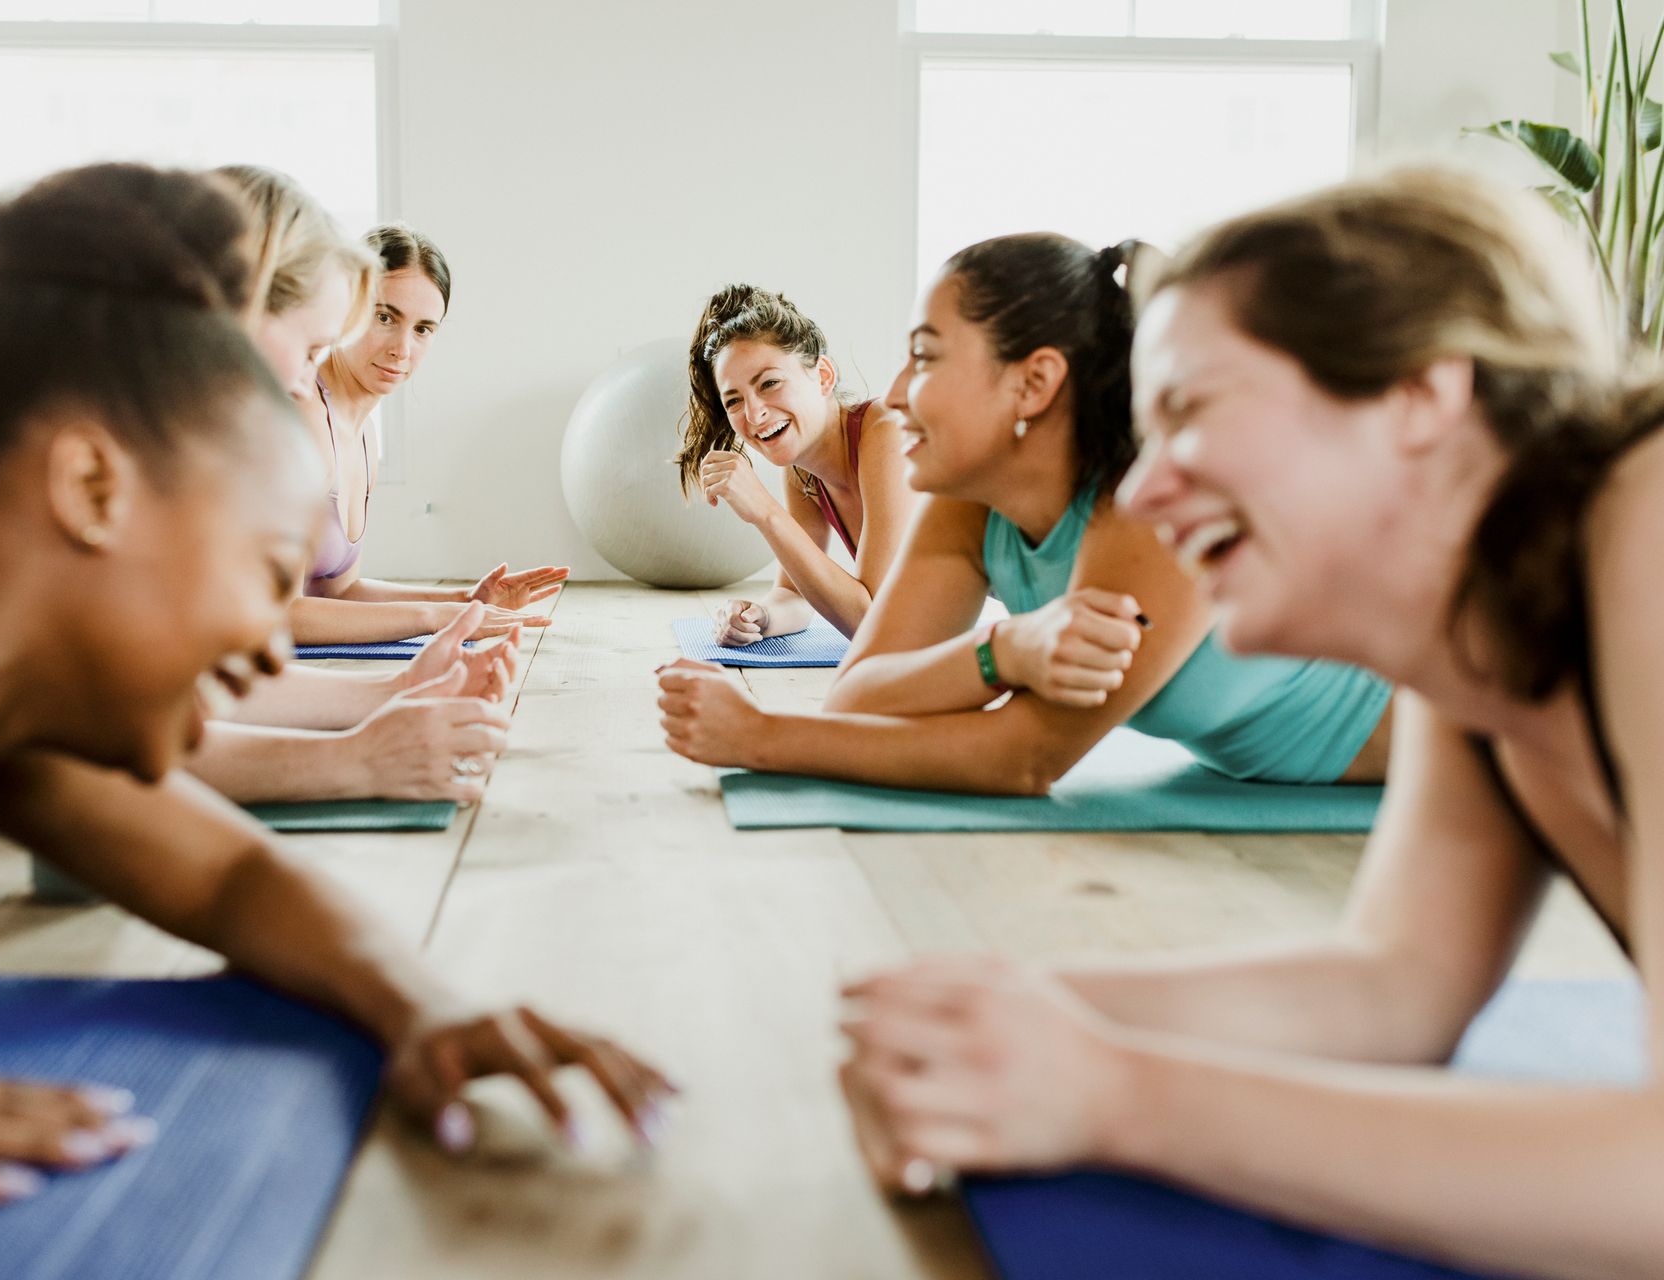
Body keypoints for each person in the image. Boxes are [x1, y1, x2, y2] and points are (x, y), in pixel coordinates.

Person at [0, 163, 668, 1206]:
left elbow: (228, 878)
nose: (272, 651)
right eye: (261, 571)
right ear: (92, 489)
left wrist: (426, 1003)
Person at [840, 168, 1661, 1279]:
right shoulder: (1471, 635)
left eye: (1190, 415)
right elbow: (1393, 991)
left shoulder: (1644, 521)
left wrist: (1117, 1092)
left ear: (1420, 395)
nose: (1148, 492)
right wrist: (999, 1015)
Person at [0, 170, 514, 807]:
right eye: (312, 349)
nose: (304, 384)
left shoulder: (145, 429)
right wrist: (356, 757)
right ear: (237, 305)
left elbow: (174, 678)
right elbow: (100, 740)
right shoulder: (57, 432)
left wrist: (393, 691)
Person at [660, 235, 1390, 794]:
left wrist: (762, 738)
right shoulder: (968, 501)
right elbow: (857, 693)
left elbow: (1028, 754)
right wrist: (1004, 651)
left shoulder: (1156, 503)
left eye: (926, 358)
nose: (897, 391)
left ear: (1034, 382)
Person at [216, 169, 568, 648]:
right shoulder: (304, 414)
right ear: (347, 304)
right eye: (385, 317)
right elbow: (277, 613)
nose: (402, 348)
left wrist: (466, 601)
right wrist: (434, 616)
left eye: (423, 329)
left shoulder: (364, 435)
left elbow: (337, 590)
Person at [675, 285, 916, 643]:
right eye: (734, 401)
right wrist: (758, 617)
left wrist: (765, 512)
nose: (754, 414)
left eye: (769, 383)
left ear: (823, 376)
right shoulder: (801, 470)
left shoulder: (888, 432)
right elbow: (794, 595)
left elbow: (875, 625)